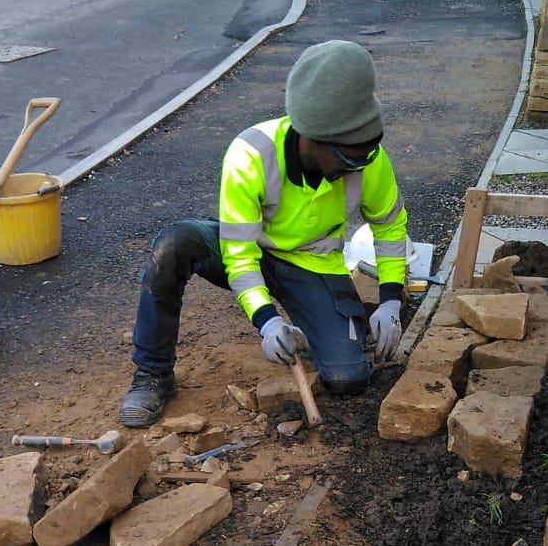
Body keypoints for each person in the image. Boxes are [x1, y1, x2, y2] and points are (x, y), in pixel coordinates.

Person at [119, 39, 410, 427]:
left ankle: (315, 328)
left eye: (368, 152)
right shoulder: (251, 154)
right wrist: (266, 319)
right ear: (314, 137)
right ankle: (153, 374)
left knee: (348, 379)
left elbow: (389, 225)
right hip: (250, 250)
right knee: (174, 244)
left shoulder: (368, 159)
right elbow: (238, 254)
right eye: (350, 156)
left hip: (313, 263)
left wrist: (391, 297)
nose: (361, 163)